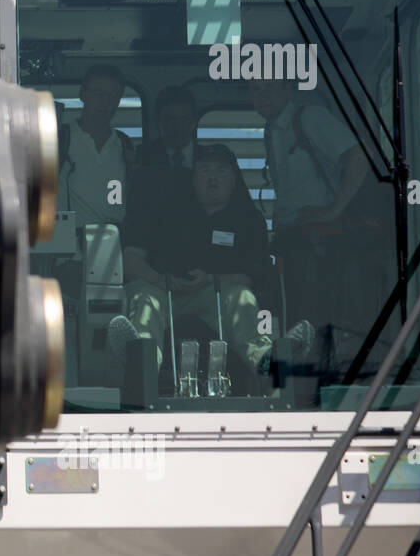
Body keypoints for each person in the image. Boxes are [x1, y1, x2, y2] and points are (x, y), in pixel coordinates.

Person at [109, 144, 314, 383]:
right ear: (193, 178)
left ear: (235, 180)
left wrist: (211, 280)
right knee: (145, 301)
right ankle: (141, 365)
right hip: (159, 287)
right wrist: (159, 280)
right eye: (205, 171)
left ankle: (270, 363)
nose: (213, 177)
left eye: (221, 171)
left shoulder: (249, 220)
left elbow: (253, 275)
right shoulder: (162, 210)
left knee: (242, 297)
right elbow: (131, 258)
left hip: (213, 292)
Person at [249, 76, 376, 334]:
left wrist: (334, 210)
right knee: (294, 321)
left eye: (269, 87)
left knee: (318, 323)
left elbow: (360, 156)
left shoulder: (309, 119)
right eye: (255, 89)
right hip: (292, 241)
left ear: (288, 88)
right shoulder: (271, 129)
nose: (262, 95)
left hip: (320, 245)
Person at [57, 64, 135, 224]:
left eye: (113, 96)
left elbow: (119, 197)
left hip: (113, 240)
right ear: (82, 94)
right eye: (98, 93)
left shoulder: (125, 144)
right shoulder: (60, 138)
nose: (105, 102)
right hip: (69, 241)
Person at [138, 85, 199, 170]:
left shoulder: (209, 157)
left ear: (194, 122)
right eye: (171, 119)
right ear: (160, 123)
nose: (178, 127)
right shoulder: (143, 157)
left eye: (184, 119)